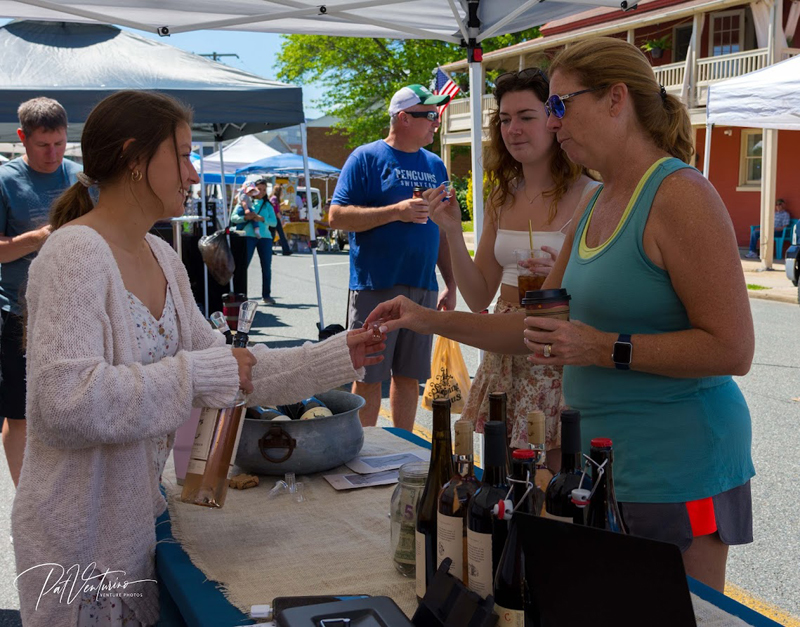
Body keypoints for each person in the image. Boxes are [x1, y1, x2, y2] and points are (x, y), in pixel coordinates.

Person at [365, 37, 755, 593]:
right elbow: (532, 326)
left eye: (560, 104)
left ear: (616, 99)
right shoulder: (599, 201)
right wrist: (423, 317)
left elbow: (732, 349)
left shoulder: (679, 194)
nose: (552, 120)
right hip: (595, 468)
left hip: (674, 468)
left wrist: (601, 348)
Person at [12, 90, 386, 627]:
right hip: (76, 542)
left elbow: (231, 370)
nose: (193, 173)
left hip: (134, 526)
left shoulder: (161, 254)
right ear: (136, 159)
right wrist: (194, 376)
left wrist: (335, 354)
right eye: (184, 155)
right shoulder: (73, 254)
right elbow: (63, 405)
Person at [425, 68, 595, 464]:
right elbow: (479, 294)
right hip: (503, 352)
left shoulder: (591, 195)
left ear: (554, 122)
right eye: (504, 119)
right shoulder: (501, 197)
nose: (513, 129)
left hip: (553, 354)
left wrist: (565, 273)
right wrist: (451, 231)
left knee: (552, 472)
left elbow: (602, 294)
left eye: (526, 117)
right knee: (505, 476)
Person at [329, 84, 457, 431]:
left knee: (409, 376)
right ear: (403, 118)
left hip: (422, 286)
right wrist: (395, 212)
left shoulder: (435, 165)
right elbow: (336, 217)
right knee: (369, 375)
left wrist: (450, 282)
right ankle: (361, 448)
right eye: (429, 115)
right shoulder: (366, 158)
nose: (436, 122)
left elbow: (442, 230)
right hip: (376, 285)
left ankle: (403, 448)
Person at [0, 97, 82, 487]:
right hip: (18, 316)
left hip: (76, 312)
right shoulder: (4, 180)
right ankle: (27, 506)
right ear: (22, 138)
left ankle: (68, 497)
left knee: (76, 408)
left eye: (60, 144)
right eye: (42, 145)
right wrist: (40, 237)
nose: (52, 155)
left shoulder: (83, 180)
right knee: (20, 415)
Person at [230, 177, 278, 305]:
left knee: (266, 267)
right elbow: (234, 217)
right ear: (253, 189)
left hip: (265, 238)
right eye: (259, 189)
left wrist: (262, 219)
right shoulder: (245, 200)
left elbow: (274, 222)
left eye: (264, 189)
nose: (261, 192)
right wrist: (246, 217)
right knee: (243, 266)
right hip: (248, 236)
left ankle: (266, 295)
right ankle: (240, 294)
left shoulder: (268, 205)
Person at [269, 182, 293, 256]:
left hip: (273, 218)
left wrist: (280, 205)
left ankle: (270, 249)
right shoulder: (275, 198)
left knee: (273, 234)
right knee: (281, 234)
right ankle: (286, 250)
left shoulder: (273, 198)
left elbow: (275, 206)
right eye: (282, 191)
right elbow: (275, 209)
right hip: (275, 218)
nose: (282, 193)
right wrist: (281, 218)